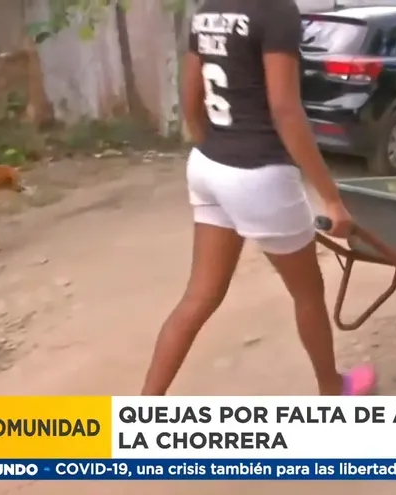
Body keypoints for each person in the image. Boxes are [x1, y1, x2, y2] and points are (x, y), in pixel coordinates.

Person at [140, 0, 376, 396]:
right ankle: (332, 387)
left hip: (208, 165)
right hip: (258, 175)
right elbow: (285, 110)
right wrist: (332, 199)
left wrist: (215, 150)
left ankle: (142, 409)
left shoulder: (209, 8)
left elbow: (190, 98)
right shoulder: (275, 10)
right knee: (308, 292)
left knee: (199, 296)